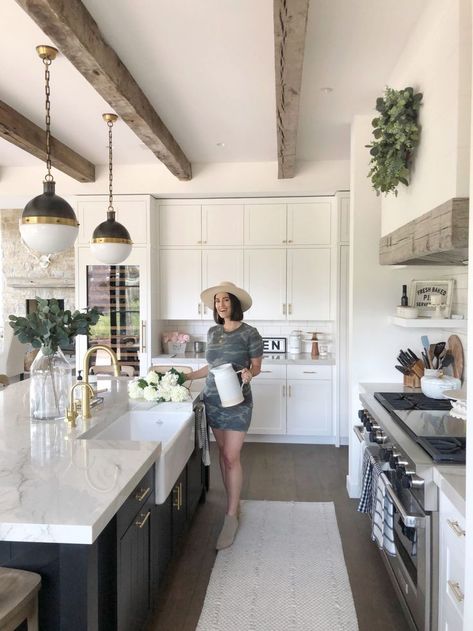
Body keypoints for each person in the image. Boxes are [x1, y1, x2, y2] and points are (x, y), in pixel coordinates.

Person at [184, 281, 263, 550]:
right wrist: (187, 376)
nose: (221, 304)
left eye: (226, 300)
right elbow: (212, 366)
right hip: (214, 399)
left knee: (232, 456)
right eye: (217, 301)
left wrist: (250, 374)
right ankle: (232, 502)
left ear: (235, 304)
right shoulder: (212, 332)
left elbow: (256, 366)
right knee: (222, 455)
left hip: (237, 400)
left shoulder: (250, 333)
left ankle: (231, 516)